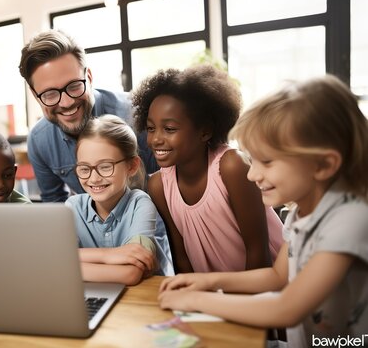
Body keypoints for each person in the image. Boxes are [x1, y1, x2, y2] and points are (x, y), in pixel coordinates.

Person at [158, 75, 368, 347]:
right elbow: (277, 277)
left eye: (266, 162)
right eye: (252, 160)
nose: (252, 175)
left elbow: (287, 308)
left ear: (324, 165)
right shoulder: (301, 214)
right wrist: (206, 281)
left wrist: (196, 300)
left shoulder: (350, 221)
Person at [132, 65, 283, 273]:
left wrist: (236, 302)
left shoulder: (231, 167)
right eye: (150, 128)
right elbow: (182, 258)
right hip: (213, 294)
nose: (156, 139)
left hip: (269, 287)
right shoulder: (158, 186)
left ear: (205, 131)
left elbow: (258, 253)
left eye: (169, 129)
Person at [19, 29, 158, 202]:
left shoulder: (138, 115)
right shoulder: (40, 140)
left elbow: (173, 182)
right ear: (35, 95)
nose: (67, 102)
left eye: (74, 86)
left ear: (89, 78)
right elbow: (55, 205)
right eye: (50, 94)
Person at [65, 115, 156, 285]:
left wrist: (70, 262)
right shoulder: (72, 207)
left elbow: (131, 273)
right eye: (84, 168)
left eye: (105, 167)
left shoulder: (140, 204)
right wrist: (108, 255)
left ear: (132, 166)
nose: (94, 178)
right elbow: (52, 260)